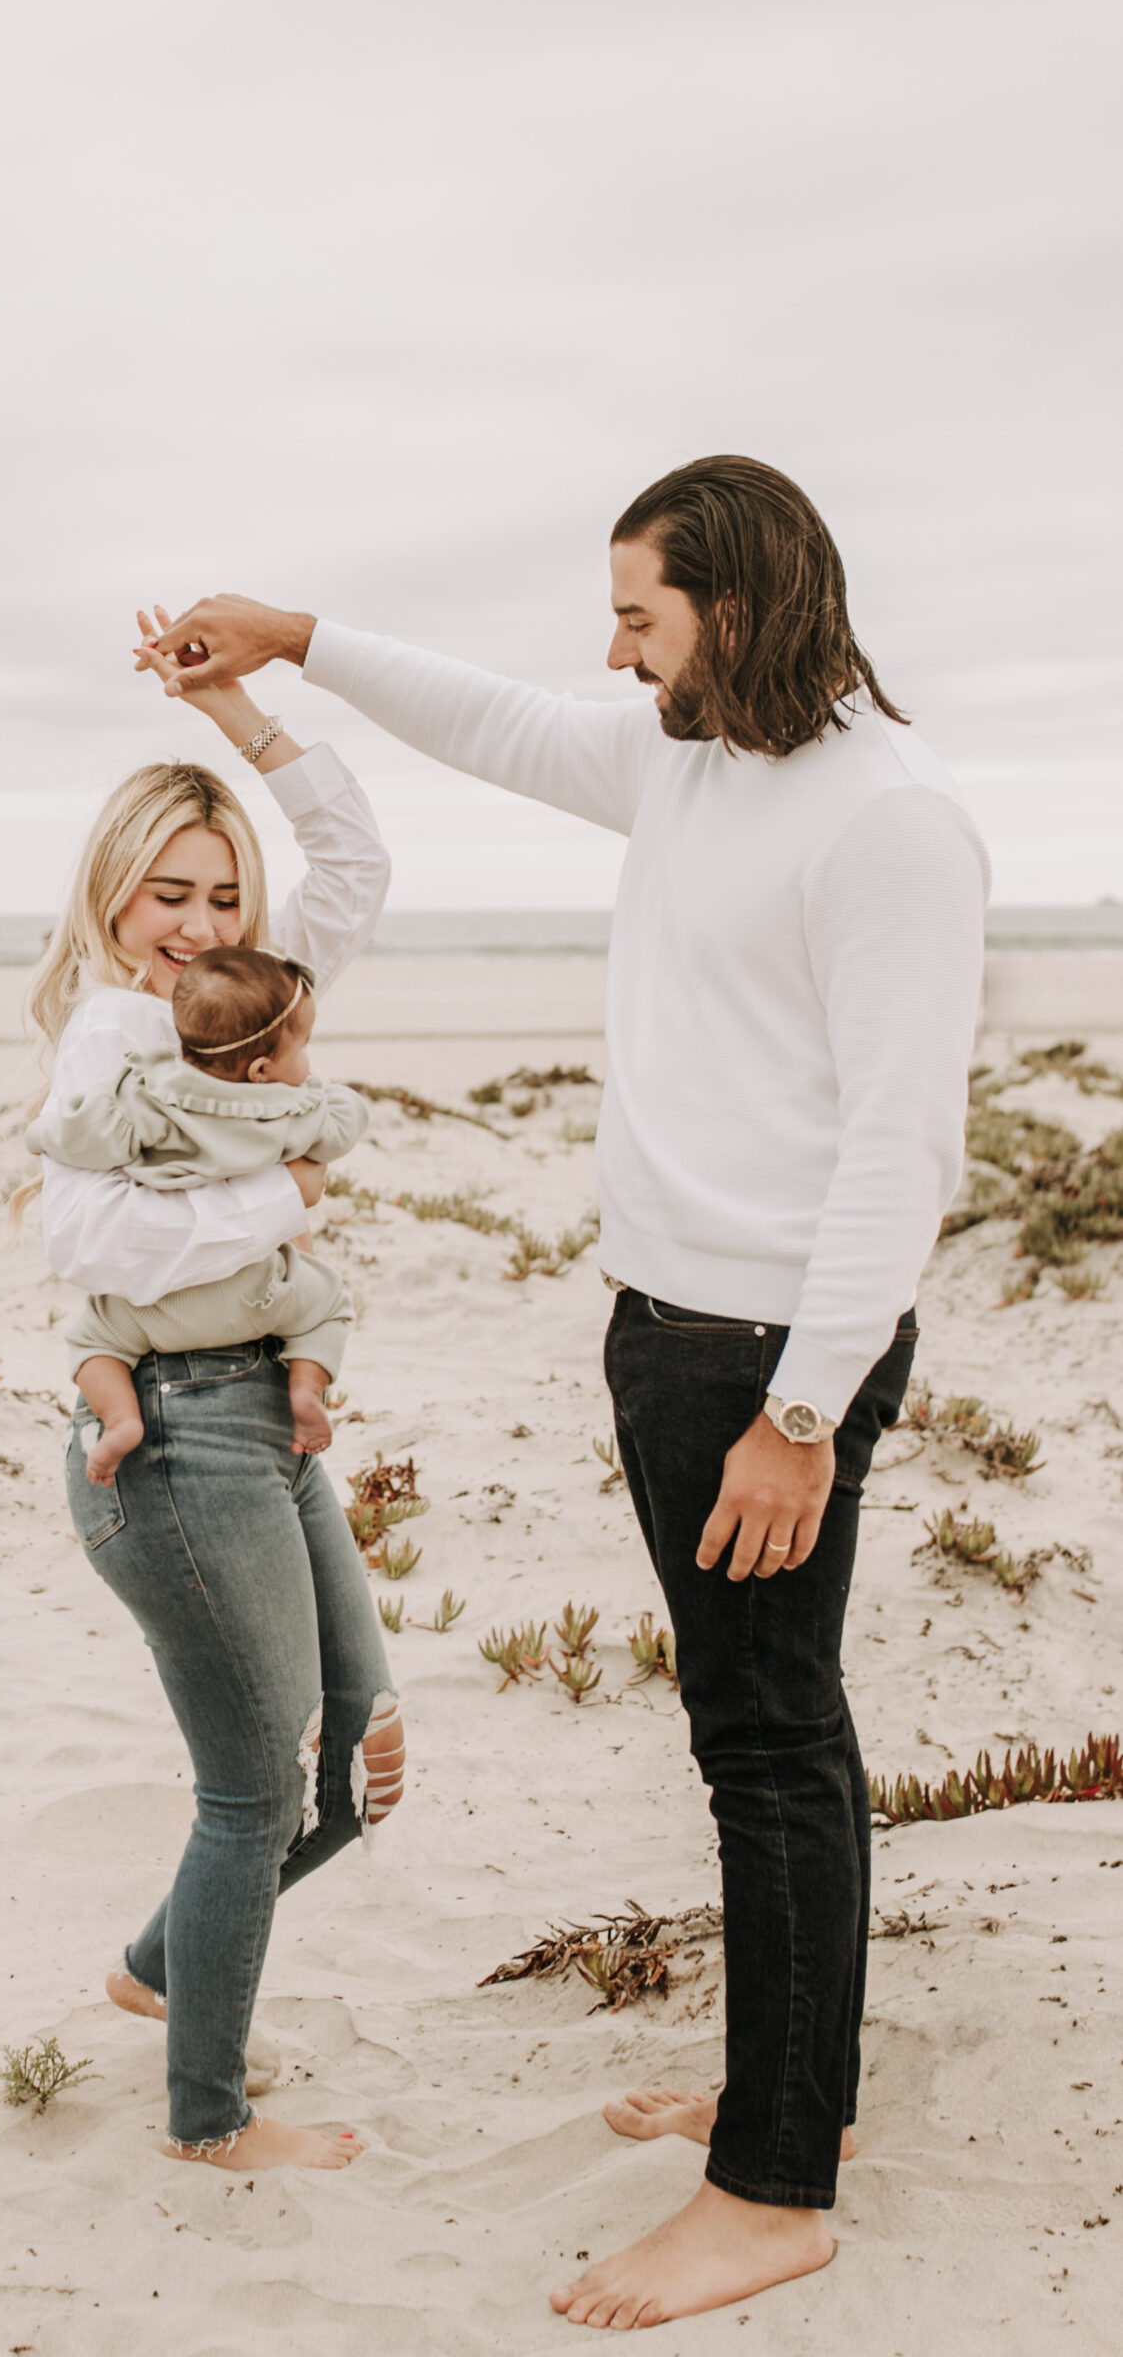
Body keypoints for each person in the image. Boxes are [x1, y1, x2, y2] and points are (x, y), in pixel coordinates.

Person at [139, 459, 989, 2326]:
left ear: (740, 613)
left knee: (765, 1749)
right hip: (672, 1330)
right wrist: (293, 641)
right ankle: (797, 2102)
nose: (610, 655)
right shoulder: (691, 763)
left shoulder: (888, 826)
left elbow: (898, 1149)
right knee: (771, 1733)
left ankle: (768, 2187)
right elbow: (499, 725)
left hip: (771, 1359)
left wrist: (803, 1414)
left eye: (640, 617)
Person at [27, 619, 405, 2173]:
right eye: (166, 894)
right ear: (113, 898)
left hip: (263, 1418)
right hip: (173, 1443)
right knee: (256, 1794)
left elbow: (356, 861)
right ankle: (207, 2119)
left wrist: (240, 708)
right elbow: (89, 1241)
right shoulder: (114, 1041)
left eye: (221, 893)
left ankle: (158, 1969)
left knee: (360, 1758)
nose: (195, 925)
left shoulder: (243, 997)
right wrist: (290, 1192)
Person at [27, 944, 367, 1484]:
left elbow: (86, 1135)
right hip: (261, 1294)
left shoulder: (151, 1093)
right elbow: (344, 1123)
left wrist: (43, 1133)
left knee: (93, 1339)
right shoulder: (289, 1110)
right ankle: (305, 1388)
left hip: (158, 1309)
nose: (305, 1062)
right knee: (328, 1303)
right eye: (302, 1047)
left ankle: (119, 1420)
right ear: (261, 1069)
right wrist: (322, 1093)